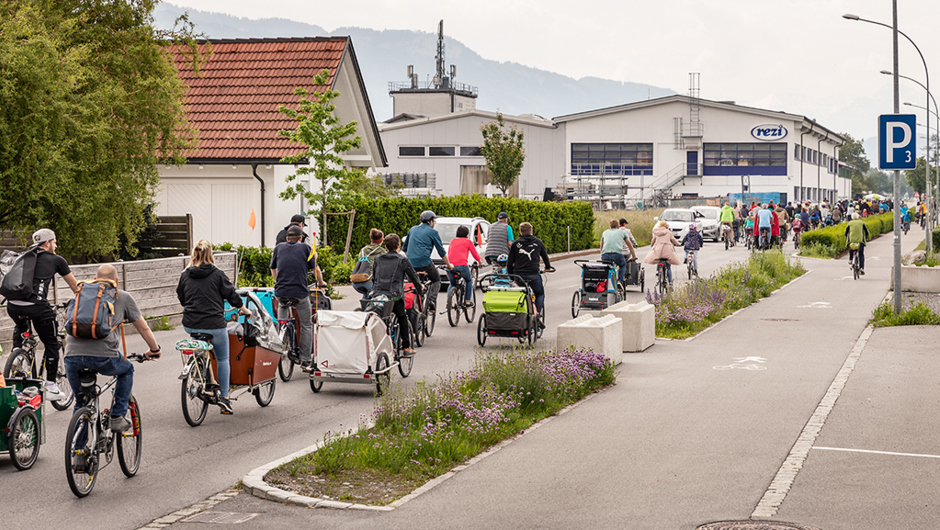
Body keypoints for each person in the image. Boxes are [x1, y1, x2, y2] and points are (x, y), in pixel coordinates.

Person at [64, 265, 161, 432]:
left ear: (95, 279)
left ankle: (77, 451)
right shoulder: (121, 296)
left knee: (81, 403)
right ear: (116, 281)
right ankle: (117, 416)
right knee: (127, 370)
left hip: (71, 355)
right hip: (104, 356)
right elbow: (143, 328)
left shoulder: (80, 293)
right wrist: (154, 349)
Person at [177, 240, 250, 415]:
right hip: (214, 324)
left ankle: (200, 372)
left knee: (199, 348)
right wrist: (244, 309)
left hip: (191, 323)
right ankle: (225, 398)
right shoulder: (218, 274)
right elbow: (231, 295)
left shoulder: (185, 274)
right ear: (210, 255)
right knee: (223, 358)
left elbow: (181, 297)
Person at [7, 229, 80, 401]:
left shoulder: (23, 257)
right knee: (52, 343)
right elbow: (76, 288)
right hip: (37, 307)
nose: (56, 245)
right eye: (55, 242)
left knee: (21, 326)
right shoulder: (57, 260)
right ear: (47, 243)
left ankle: (17, 355)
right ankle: (51, 386)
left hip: (13, 305)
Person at [270, 225, 320, 369]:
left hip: (281, 292)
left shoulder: (278, 248)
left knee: (282, 316)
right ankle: (305, 359)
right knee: (306, 324)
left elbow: (273, 268)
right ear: (300, 238)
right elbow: (314, 268)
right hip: (299, 292)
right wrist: (321, 283)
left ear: (287, 238)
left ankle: (282, 337)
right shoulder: (305, 248)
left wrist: (277, 281)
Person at [371, 234, 421, 356]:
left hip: (378, 295)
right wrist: (420, 289)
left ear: (386, 247)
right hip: (395, 296)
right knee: (402, 317)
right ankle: (406, 347)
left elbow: (374, 278)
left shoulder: (377, 258)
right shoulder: (402, 259)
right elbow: (414, 277)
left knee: (379, 319)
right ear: (398, 246)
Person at [402, 210, 452, 310]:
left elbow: (405, 249)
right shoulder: (433, 232)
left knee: (412, 285)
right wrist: (449, 265)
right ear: (430, 222)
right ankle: (432, 300)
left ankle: (411, 305)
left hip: (410, 263)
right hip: (425, 262)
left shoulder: (412, 229)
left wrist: (412, 259)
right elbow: (441, 252)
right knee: (436, 279)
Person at [507, 222, 554, 318]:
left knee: (522, 292)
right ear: (531, 231)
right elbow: (545, 257)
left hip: (519, 275)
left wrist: (511, 276)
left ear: (520, 232)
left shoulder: (515, 244)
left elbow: (510, 262)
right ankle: (537, 313)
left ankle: (521, 311)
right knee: (539, 293)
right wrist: (547, 267)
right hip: (533, 274)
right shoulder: (538, 242)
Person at [446, 226, 481, 307]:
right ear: (467, 234)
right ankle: (467, 302)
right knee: (469, 281)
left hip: (450, 266)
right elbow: (475, 255)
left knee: (452, 284)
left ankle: (448, 301)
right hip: (462, 266)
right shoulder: (468, 242)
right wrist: (479, 262)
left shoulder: (452, 241)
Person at [351, 229, 386, 300]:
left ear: (371, 238)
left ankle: (363, 308)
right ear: (381, 240)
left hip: (357, 281)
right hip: (371, 282)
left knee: (367, 294)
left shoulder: (363, 250)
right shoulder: (382, 251)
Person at [643, 220, 681, 285]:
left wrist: (652, 245)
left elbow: (653, 241)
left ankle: (658, 271)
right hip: (667, 251)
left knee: (659, 258)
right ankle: (670, 282)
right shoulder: (668, 232)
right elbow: (673, 240)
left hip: (658, 251)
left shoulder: (656, 232)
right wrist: (679, 244)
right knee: (668, 267)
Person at [600, 219, 635, 285]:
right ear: (618, 226)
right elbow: (630, 245)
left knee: (607, 267)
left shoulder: (605, 232)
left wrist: (602, 255)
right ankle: (620, 281)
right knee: (622, 265)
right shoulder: (622, 232)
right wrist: (634, 256)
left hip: (605, 255)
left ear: (610, 226)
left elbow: (601, 245)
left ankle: (606, 281)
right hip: (617, 254)